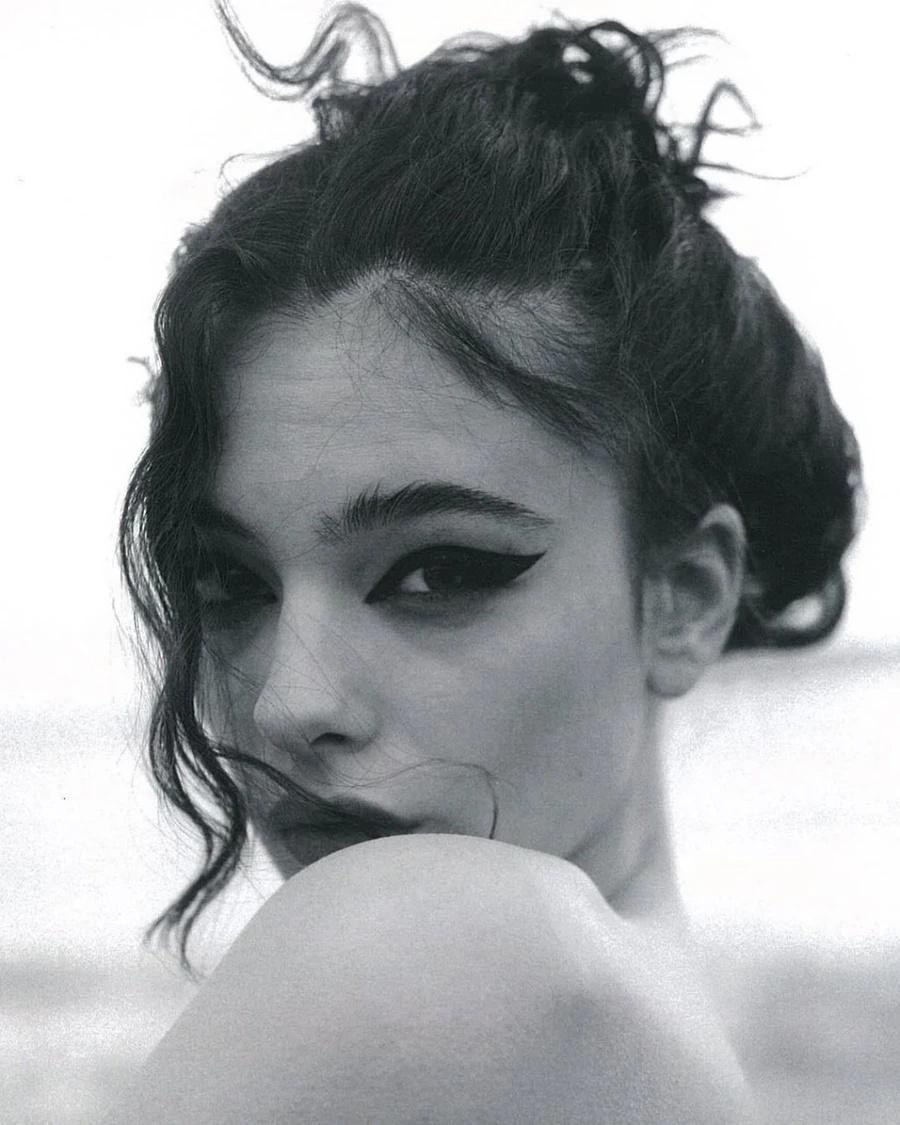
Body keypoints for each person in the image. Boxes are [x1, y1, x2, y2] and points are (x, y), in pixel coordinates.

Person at [111, 4, 860, 1121]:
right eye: (232, 584)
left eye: (437, 574)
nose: (288, 704)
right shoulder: (649, 1041)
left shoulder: (453, 947)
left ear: (686, 597)